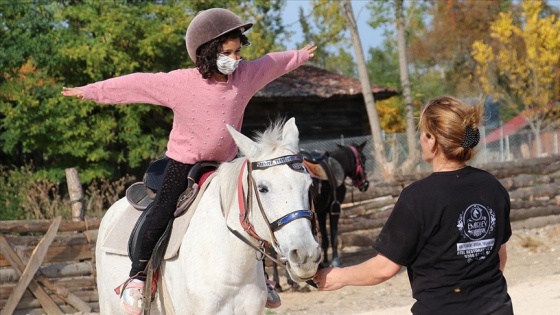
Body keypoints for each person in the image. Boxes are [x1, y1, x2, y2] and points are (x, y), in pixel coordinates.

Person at [62, 7, 316, 315]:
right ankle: (137, 275)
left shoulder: (244, 75)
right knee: (162, 209)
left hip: (224, 164)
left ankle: (259, 276)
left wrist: (300, 55)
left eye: (237, 51)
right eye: (227, 52)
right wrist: (91, 92)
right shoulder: (180, 83)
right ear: (208, 53)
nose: (234, 59)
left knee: (253, 210)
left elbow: (271, 63)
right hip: (183, 162)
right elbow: (135, 85)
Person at [313, 96, 513, 315]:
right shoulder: (492, 186)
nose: (420, 139)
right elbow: (499, 257)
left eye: (423, 133)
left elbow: (384, 268)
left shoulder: (418, 197)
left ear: (432, 141)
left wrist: (339, 277)